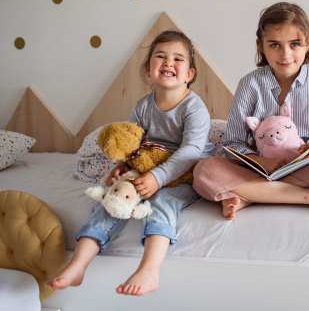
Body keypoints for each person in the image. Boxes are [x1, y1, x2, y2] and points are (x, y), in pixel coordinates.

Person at [46, 30, 211, 296]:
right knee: (111, 199)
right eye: (161, 56)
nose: (169, 63)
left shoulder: (193, 108)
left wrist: (158, 178)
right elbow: (132, 142)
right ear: (149, 69)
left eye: (178, 59)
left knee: (163, 201)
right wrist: (122, 166)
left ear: (189, 74)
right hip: (145, 167)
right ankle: (78, 263)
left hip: (185, 171)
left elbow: (191, 150)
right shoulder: (143, 106)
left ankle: (149, 269)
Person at [193, 2, 309, 221]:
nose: (286, 54)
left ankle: (253, 195)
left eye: (295, 44)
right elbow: (233, 144)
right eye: (275, 45)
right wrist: (260, 161)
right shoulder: (249, 84)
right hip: (259, 168)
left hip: (307, 168)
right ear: (261, 46)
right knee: (205, 170)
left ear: (308, 44)